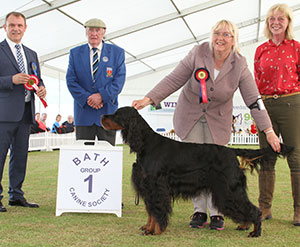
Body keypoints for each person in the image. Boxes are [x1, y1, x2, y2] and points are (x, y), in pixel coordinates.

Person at [132, 19, 280, 230]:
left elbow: (253, 99)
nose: (220, 38)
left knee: (217, 169)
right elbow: (174, 79)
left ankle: (217, 214)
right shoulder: (198, 53)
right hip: (190, 116)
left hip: (217, 121)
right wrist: (149, 99)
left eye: (226, 34)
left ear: (233, 39)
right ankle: (199, 212)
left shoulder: (239, 64)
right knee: (189, 168)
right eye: (217, 33)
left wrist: (269, 130)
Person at [254, 3, 300, 226]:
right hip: (265, 106)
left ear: (288, 22)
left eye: (281, 19)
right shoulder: (261, 49)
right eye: (272, 19)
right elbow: (255, 81)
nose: (276, 22)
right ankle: (264, 208)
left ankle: (299, 210)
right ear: (267, 23)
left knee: (296, 157)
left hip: (291, 103)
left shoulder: (297, 48)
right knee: (266, 158)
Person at [0, 12, 46, 212]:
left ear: (25, 28)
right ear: (5, 27)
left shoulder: (31, 53)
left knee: (20, 156)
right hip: (4, 114)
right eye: (12, 25)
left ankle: (16, 195)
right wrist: (11, 80)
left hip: (26, 112)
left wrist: (42, 88)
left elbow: (36, 79)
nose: (16, 29)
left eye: (19, 25)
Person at [66, 18, 126, 146]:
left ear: (104, 32)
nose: (94, 34)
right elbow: (71, 81)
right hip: (83, 113)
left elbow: (119, 81)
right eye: (91, 30)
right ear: (86, 32)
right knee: (83, 156)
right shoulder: (75, 53)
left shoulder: (117, 53)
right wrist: (88, 98)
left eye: (97, 30)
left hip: (107, 113)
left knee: (107, 155)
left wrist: (101, 96)